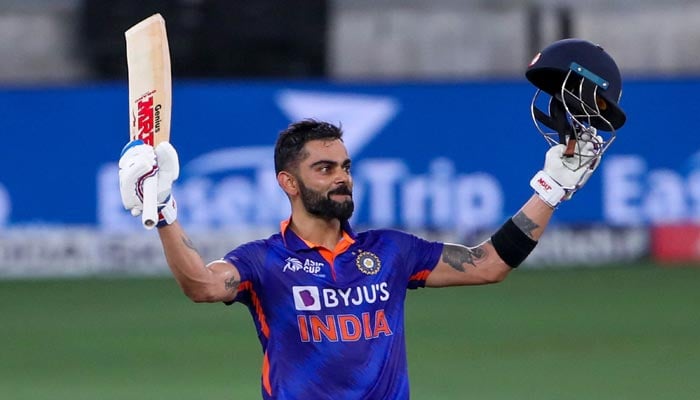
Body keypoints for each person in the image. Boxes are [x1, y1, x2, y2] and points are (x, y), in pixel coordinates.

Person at [117, 38, 626, 400]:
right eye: (323, 168)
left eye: (345, 166)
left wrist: (552, 188)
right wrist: (162, 214)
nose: (341, 178)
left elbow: (489, 263)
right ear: (287, 183)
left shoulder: (390, 252)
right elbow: (202, 285)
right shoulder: (262, 262)